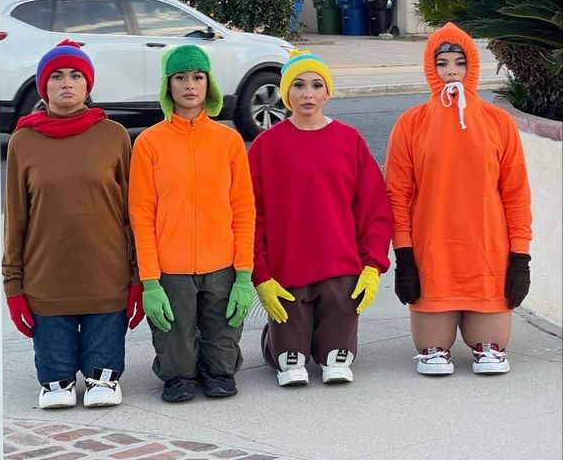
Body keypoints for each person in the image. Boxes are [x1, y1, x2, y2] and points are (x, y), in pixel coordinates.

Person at [385, 23, 533, 376]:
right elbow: (396, 195)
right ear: (429, 68)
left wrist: (520, 257)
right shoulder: (411, 123)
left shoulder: (499, 122)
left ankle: (485, 345)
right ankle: (437, 346)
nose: (451, 70)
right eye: (442, 63)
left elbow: (516, 194)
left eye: (459, 62)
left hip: (487, 256)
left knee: (493, 343)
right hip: (432, 255)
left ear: (473, 66)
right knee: (431, 347)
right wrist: (404, 256)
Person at [2, 39, 143, 410]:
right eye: (57, 76)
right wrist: (12, 285)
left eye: (76, 75)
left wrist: (138, 276)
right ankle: (56, 379)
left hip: (106, 277)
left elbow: (132, 212)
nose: (67, 82)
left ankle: (104, 376)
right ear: (43, 86)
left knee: (103, 377)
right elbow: (15, 217)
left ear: (88, 85)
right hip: (47, 281)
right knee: (56, 381)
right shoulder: (23, 142)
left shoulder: (113, 137)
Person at [249, 50, 392, 387]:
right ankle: (281, 344)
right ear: (286, 93)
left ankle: (331, 349)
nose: (308, 94)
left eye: (316, 85)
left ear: (328, 92)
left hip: (340, 267)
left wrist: (372, 265)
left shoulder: (349, 140)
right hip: (288, 269)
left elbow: (374, 207)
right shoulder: (266, 146)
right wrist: (261, 273)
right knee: (290, 356)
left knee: (336, 353)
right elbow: (251, 214)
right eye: (298, 86)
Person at [128, 44, 256, 403]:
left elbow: (244, 209)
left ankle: (215, 366)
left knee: (222, 365)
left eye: (197, 77)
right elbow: (142, 215)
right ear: (167, 85)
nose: (189, 85)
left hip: (222, 265)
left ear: (208, 83)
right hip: (172, 269)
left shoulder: (229, 141)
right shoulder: (149, 143)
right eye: (180, 77)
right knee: (178, 362)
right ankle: (179, 372)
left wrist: (243, 275)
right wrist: (150, 281)